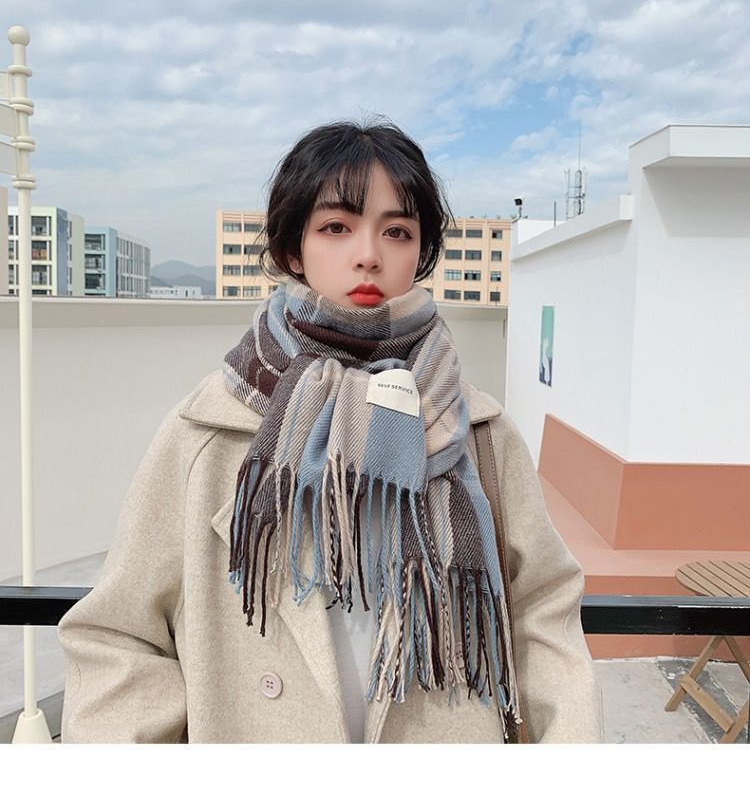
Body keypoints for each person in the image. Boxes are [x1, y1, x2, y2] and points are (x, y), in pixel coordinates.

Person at [57, 118, 604, 744]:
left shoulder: (478, 432)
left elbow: (543, 615)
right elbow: (121, 638)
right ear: (294, 249)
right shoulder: (208, 431)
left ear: (420, 252)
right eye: (336, 227)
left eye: (397, 231)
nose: (368, 254)